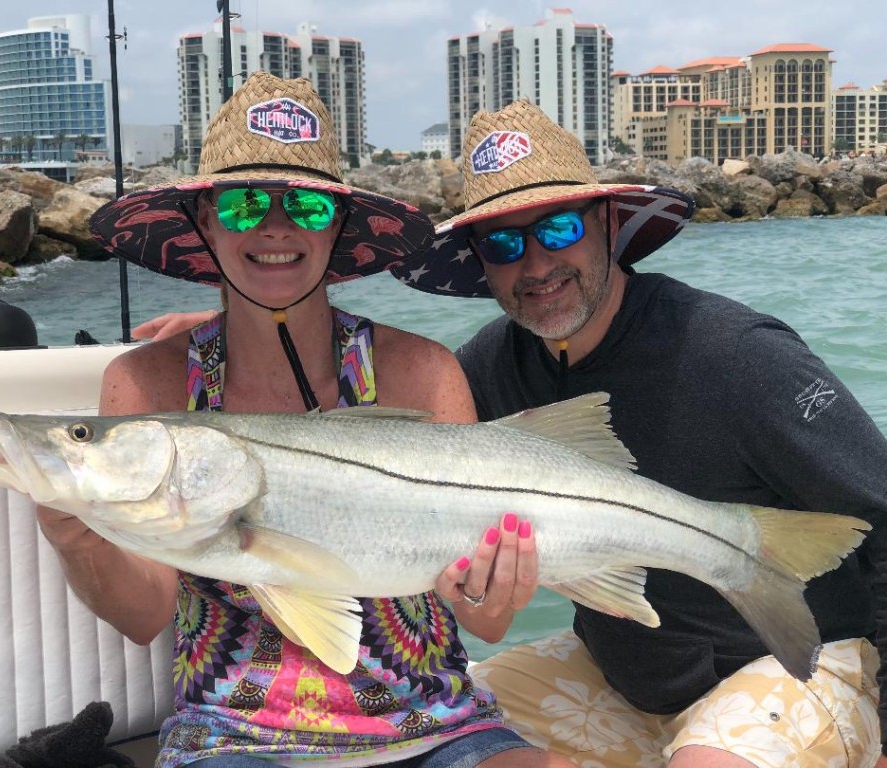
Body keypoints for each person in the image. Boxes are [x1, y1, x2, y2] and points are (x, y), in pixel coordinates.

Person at [37, 73, 576, 768]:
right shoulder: (148, 383)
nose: (276, 227)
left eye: (309, 209)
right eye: (245, 203)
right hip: (234, 736)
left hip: (441, 725)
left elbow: (486, 620)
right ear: (205, 221)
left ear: (340, 227)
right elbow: (145, 616)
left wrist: (497, 581)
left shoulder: (423, 372)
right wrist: (77, 538)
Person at [391, 100, 887, 768]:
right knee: (420, 730)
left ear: (608, 224)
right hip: (620, 678)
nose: (536, 265)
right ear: (481, 261)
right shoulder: (487, 368)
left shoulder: (735, 354)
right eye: (504, 243)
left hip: (807, 660)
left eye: (559, 228)